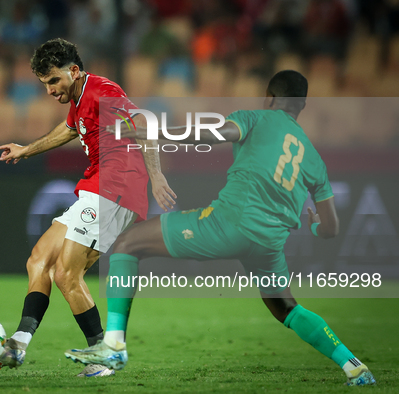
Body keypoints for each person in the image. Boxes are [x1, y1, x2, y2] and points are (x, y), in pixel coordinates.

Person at [64, 70, 376, 386]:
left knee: (127, 244)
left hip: (229, 224)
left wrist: (158, 133)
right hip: (269, 243)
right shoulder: (313, 157)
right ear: (303, 106)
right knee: (286, 307)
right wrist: (313, 228)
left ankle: (114, 345)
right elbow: (332, 227)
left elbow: (212, 133)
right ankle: (353, 366)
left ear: (269, 98)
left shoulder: (255, 118)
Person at [0, 38, 176, 377]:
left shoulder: (102, 91)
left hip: (116, 186)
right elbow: (67, 130)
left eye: (53, 80)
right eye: (44, 83)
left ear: (74, 71)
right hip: (98, 185)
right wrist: (25, 150)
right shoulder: (79, 101)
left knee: (66, 272)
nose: (49, 90)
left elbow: (144, 126)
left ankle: (104, 356)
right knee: (39, 259)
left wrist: (157, 177)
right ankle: (18, 344)